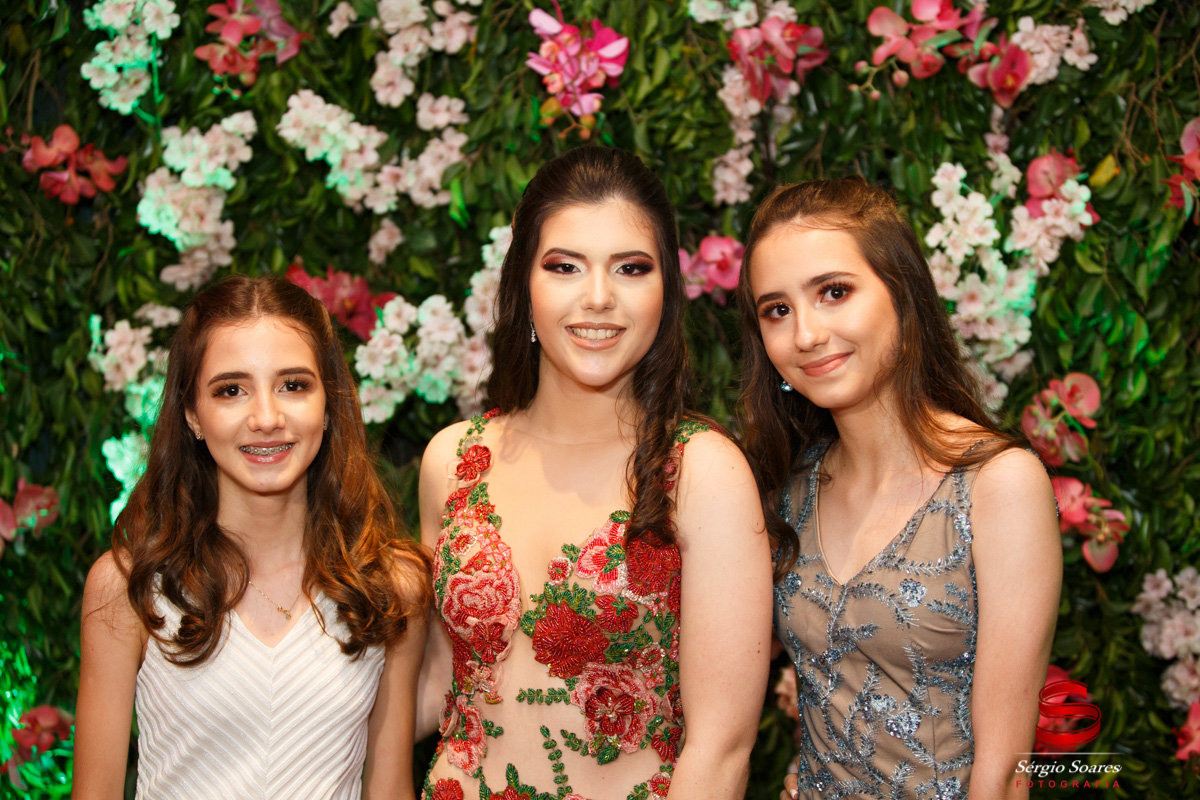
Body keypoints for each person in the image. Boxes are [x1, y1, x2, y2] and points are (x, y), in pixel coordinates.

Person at [416, 146, 774, 800]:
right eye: (565, 267)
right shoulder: (452, 459)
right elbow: (442, 678)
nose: (599, 298)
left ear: (666, 291)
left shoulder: (702, 471)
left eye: (631, 268)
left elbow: (721, 750)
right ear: (523, 284)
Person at [734, 178, 1061, 800]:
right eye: (777, 310)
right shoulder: (790, 488)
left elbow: (1005, 775)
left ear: (903, 297)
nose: (805, 334)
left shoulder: (998, 484)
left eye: (834, 292)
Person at [74, 275, 431, 799]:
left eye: (293, 385)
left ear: (329, 403)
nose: (266, 418)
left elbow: (389, 788)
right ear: (192, 414)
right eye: (231, 390)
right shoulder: (127, 587)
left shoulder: (390, 585)